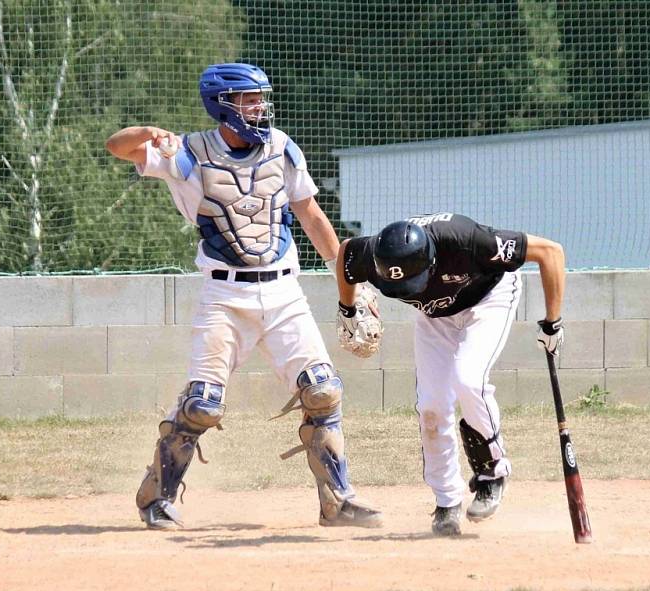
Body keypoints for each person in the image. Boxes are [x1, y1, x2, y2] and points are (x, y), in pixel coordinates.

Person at [105, 62, 382, 530]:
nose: (259, 107)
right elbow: (116, 146)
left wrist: (351, 281)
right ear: (222, 103)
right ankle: (158, 494)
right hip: (223, 296)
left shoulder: (281, 147)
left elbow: (313, 217)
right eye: (248, 99)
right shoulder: (188, 152)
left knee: (322, 389)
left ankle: (338, 499)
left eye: (260, 99)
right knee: (202, 405)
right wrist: (152, 133)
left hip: (283, 293)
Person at [335, 212, 565, 536]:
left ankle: (492, 472)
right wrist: (347, 309)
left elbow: (549, 251)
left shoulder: (467, 239)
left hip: (488, 297)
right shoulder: (375, 253)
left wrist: (552, 322)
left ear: (432, 261)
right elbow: (346, 253)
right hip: (435, 317)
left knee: (468, 379)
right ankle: (447, 501)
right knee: (431, 406)